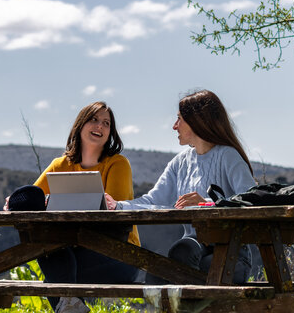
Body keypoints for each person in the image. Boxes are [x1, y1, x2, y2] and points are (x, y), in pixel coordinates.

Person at [105, 89, 256, 284]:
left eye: (179, 119)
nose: (174, 126)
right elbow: (153, 200)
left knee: (178, 270)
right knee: (162, 270)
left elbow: (252, 200)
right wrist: (118, 206)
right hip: (192, 250)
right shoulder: (180, 163)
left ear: (197, 121)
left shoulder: (228, 156)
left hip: (232, 255)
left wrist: (208, 204)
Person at [33, 101, 140, 313]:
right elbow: (33, 197)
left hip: (119, 255)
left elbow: (114, 212)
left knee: (55, 281)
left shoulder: (117, 164)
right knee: (45, 250)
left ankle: (69, 302)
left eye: (106, 123)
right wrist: (17, 200)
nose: (99, 126)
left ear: (111, 132)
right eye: (94, 119)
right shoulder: (60, 165)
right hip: (73, 254)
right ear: (80, 125)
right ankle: (72, 304)